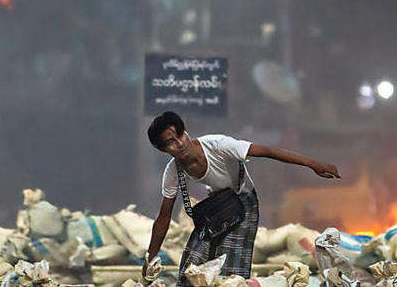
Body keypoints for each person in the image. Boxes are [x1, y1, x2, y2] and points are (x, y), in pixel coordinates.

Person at [143, 112, 340, 286]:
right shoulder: (172, 171)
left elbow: (267, 151)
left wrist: (314, 164)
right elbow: (163, 217)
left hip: (244, 204)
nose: (179, 144)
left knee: (232, 272)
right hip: (219, 207)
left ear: (184, 131)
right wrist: (150, 258)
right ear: (163, 149)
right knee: (192, 263)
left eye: (179, 135)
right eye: (170, 142)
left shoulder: (218, 145)